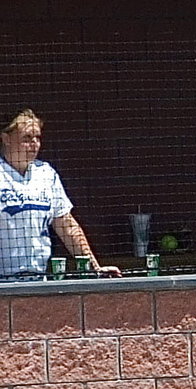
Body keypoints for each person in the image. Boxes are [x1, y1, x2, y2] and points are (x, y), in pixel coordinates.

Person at [0, 109, 120, 279]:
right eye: (26, 138)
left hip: (38, 279)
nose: (34, 144)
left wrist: (95, 267)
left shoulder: (46, 174)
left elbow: (67, 225)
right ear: (6, 139)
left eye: (38, 138)